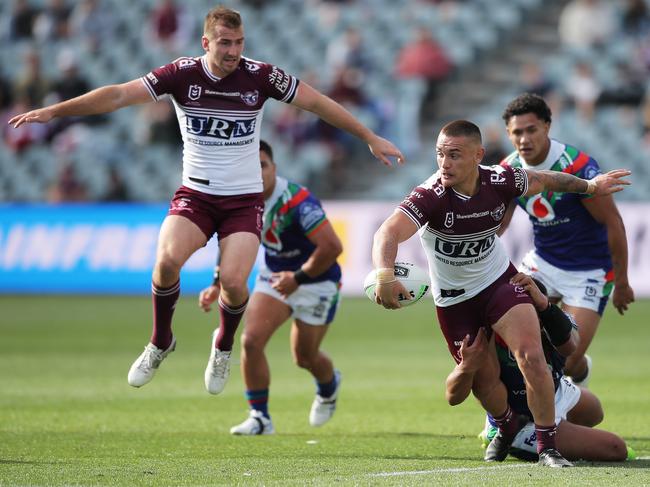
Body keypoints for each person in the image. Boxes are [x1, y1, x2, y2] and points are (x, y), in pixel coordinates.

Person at [9, 6, 403, 394]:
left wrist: (368, 136)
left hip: (243, 200)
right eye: (225, 43)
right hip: (196, 194)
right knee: (165, 262)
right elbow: (116, 96)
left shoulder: (261, 76)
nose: (233, 50)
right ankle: (160, 341)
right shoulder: (182, 75)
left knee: (233, 282)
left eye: (239, 42)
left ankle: (223, 345)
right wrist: (54, 112)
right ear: (206, 42)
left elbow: (317, 103)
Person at [370, 120, 630, 467]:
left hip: (498, 281)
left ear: (478, 156)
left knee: (531, 354)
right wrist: (385, 273)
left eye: (454, 155)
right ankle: (506, 426)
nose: (444, 163)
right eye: (439, 154)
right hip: (454, 299)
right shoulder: (430, 195)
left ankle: (547, 447)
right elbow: (386, 233)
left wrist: (590, 186)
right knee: (480, 374)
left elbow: (548, 179)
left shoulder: (501, 179)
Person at [199, 140, 343, 434]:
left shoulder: (297, 201)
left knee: (304, 357)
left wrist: (298, 278)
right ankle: (260, 418)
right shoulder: (240, 200)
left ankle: (329, 387)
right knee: (251, 341)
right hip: (275, 277)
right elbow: (231, 242)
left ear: (274, 168)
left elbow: (332, 247)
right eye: (251, 167)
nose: (258, 172)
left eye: (263, 165)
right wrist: (216, 283)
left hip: (317, 282)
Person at [499, 93, 635, 387]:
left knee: (568, 360)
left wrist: (621, 282)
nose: (524, 139)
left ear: (547, 126)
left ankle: (581, 370)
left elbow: (613, 222)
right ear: (509, 135)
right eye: (517, 132)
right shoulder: (508, 170)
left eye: (531, 129)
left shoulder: (577, 166)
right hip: (542, 263)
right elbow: (498, 226)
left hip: (589, 272)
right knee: (512, 342)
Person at [445, 273, 629, 462]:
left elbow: (571, 347)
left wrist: (545, 306)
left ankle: (564, 432)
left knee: (594, 410)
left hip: (555, 392)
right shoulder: (490, 333)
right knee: (616, 448)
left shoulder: (554, 317)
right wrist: (465, 368)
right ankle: (510, 432)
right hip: (519, 414)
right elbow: (453, 396)